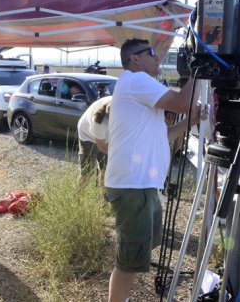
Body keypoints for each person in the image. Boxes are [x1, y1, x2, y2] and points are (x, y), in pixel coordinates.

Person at [104, 38, 203, 301]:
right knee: (128, 260)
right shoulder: (135, 80)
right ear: (134, 59)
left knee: (135, 255)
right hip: (133, 186)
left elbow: (165, 133)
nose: (157, 57)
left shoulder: (137, 87)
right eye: (151, 53)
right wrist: (200, 68)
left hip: (141, 185)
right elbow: (185, 101)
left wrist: (191, 120)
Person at [76, 95, 112, 185]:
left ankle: (103, 198)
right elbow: (102, 147)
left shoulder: (120, 103)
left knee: (106, 171)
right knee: (88, 172)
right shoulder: (99, 122)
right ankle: (77, 197)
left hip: (106, 137)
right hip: (88, 136)